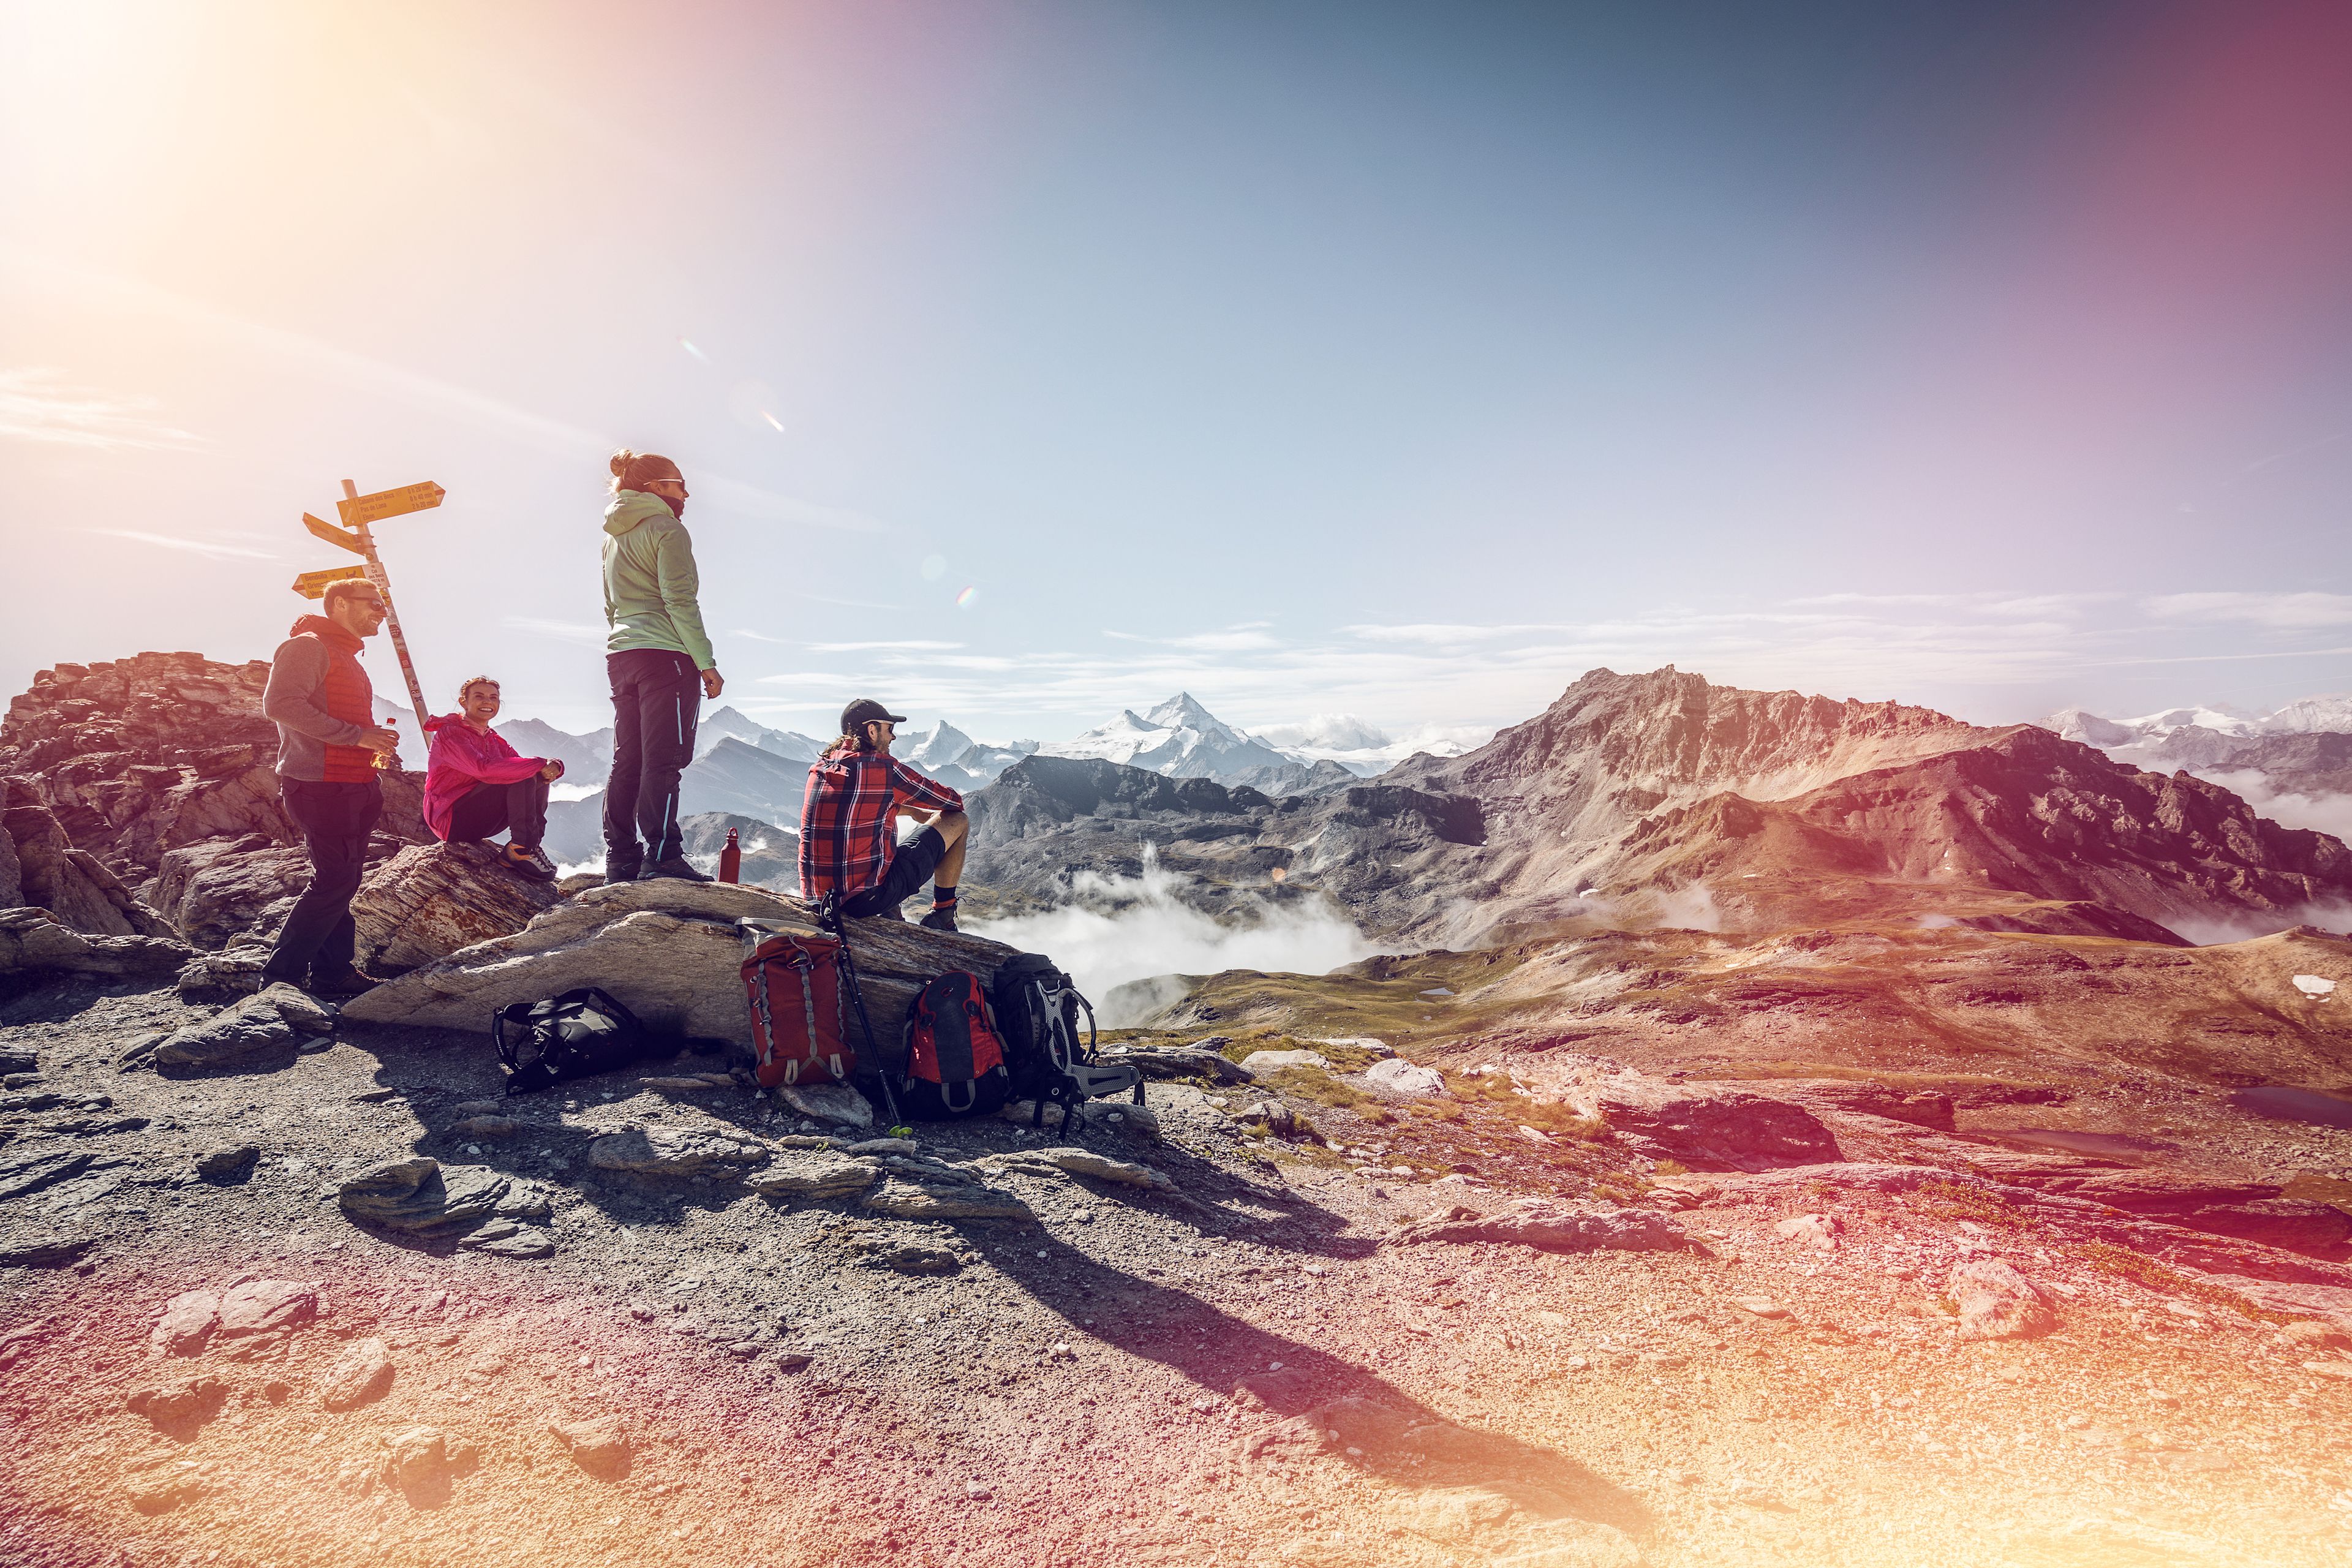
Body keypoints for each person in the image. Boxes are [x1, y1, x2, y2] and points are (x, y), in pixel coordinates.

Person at [259, 577, 400, 996]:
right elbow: (280, 704)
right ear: (339, 604)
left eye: (383, 606)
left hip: (354, 783)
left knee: (343, 878)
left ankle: (333, 974)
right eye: (373, 604)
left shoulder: (344, 653)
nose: (381, 612)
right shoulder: (307, 646)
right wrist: (358, 737)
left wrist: (372, 741)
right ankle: (279, 978)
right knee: (335, 879)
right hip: (320, 786)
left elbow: (342, 717)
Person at [600, 447, 722, 883]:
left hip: (623, 655)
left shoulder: (612, 536)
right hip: (667, 656)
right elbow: (679, 600)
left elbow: (611, 605)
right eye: (679, 485)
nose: (686, 494)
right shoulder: (667, 529)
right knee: (664, 758)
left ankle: (621, 859)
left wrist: (625, 640)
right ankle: (664, 856)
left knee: (627, 758)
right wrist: (705, 662)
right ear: (654, 488)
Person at [799, 698, 969, 931]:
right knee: (958, 821)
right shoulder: (884, 769)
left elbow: (860, 807)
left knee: (880, 837)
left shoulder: (822, 766)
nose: (893, 737)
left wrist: (909, 811)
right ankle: (943, 912)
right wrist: (920, 808)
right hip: (862, 901)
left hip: (818, 898)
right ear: (872, 730)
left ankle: (892, 912)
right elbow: (952, 802)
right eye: (889, 729)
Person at [420, 676, 562, 881]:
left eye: (493, 697)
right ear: (464, 702)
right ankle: (521, 849)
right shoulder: (451, 734)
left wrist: (552, 765)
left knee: (533, 775)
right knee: (523, 773)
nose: (488, 702)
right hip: (450, 819)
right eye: (479, 696)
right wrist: (539, 764)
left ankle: (529, 847)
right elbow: (482, 770)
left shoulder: (492, 737)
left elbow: (518, 763)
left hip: (476, 816)